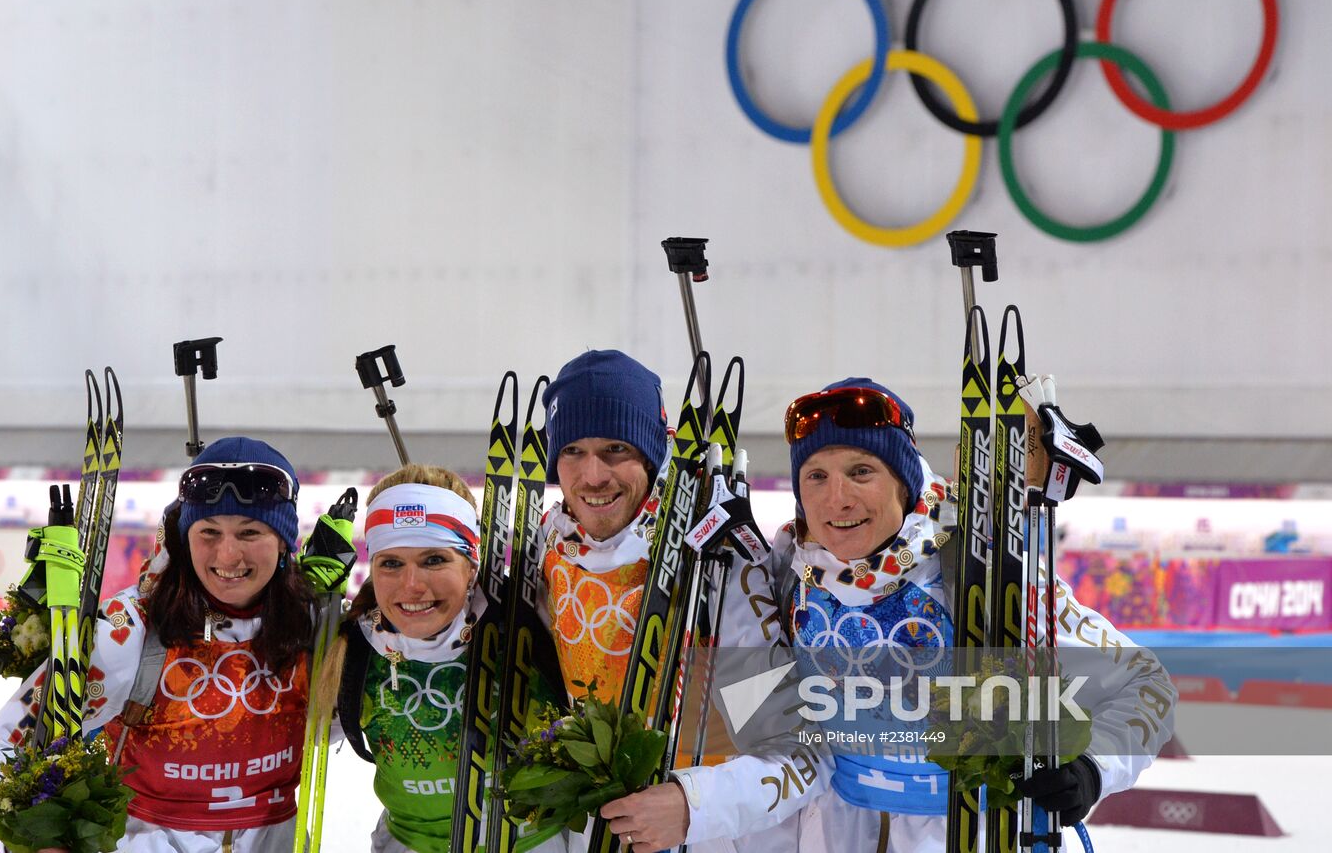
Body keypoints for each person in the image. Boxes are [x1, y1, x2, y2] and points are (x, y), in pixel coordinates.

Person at [770, 378, 1178, 852]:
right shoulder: (788, 569)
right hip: (834, 828)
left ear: (904, 483)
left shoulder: (978, 563)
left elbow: (1146, 683)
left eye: (861, 471)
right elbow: (755, 710)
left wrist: (1092, 768)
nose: (836, 498)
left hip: (971, 831)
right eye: (815, 476)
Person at [536, 349, 826, 853]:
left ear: (651, 452)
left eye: (616, 449)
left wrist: (693, 806)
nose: (593, 475)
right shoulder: (548, 555)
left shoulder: (722, 565)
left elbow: (800, 756)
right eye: (572, 452)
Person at [0, 436, 317, 852]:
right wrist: (42, 838)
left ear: (283, 540)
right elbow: (2, 744)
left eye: (249, 532)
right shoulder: (130, 630)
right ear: (184, 536)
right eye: (208, 531)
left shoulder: (313, 625)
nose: (228, 555)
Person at [310, 463, 567, 853]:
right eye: (391, 563)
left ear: (471, 565)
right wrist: (300, 616)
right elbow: (284, 740)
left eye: (434, 560)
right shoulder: (356, 649)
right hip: (409, 844)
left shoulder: (532, 624)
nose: (412, 586)